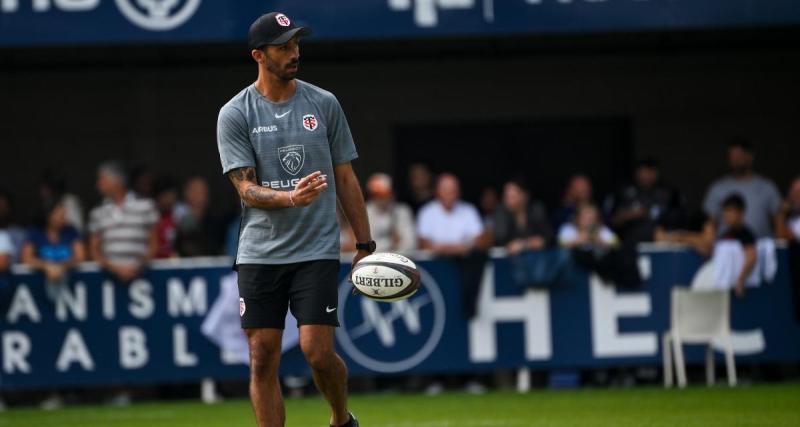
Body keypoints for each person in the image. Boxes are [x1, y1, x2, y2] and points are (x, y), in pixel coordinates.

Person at [216, 12, 372, 427]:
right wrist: (290, 198)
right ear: (258, 55)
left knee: (317, 352)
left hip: (315, 250)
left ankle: (340, 419)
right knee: (262, 355)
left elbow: (346, 178)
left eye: (297, 44)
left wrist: (365, 244)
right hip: (259, 253)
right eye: (284, 46)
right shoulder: (235, 113)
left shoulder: (324, 103)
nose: (295, 52)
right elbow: (245, 188)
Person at [418, 173, 491, 318]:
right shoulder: (427, 212)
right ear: (438, 192)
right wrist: (454, 249)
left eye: (453, 190)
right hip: (435, 271)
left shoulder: (468, 210)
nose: (450, 194)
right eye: (446, 190)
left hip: (465, 268)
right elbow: (423, 243)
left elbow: (481, 239)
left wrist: (459, 247)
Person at [88, 161, 158, 283]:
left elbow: (154, 243)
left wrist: (137, 267)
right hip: (109, 280)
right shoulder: (97, 212)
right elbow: (94, 250)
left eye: (102, 179)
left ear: (116, 181)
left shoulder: (146, 206)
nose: (98, 184)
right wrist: (115, 269)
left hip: (142, 279)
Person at [703, 140, 782, 238]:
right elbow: (709, 223)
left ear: (750, 156)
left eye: (739, 155)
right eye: (732, 156)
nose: (736, 159)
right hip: (726, 244)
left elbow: (779, 222)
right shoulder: (718, 188)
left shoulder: (767, 187)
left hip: (760, 245)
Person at [22, 198, 86, 299]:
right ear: (49, 217)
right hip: (38, 288)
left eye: (64, 215)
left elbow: (80, 257)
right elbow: (27, 258)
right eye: (60, 215)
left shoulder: (71, 231)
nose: (64, 218)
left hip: (70, 285)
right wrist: (47, 267)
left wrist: (62, 266)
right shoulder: (34, 232)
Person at [604, 159, 675, 246]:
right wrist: (629, 215)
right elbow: (610, 221)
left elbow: (675, 219)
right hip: (629, 241)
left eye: (650, 172)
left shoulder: (667, 192)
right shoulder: (623, 191)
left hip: (660, 241)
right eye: (643, 172)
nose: (646, 176)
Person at [491, 180, 552, 253]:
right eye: (506, 196)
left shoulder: (536, 209)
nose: (507, 201)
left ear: (524, 196)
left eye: (512, 197)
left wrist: (525, 244)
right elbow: (500, 239)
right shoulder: (501, 211)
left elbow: (547, 237)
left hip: (538, 256)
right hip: (509, 258)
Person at [715, 194, 757, 298]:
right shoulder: (725, 234)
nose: (726, 215)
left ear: (741, 213)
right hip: (722, 287)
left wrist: (741, 279)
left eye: (730, 211)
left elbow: (751, 256)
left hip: (737, 288)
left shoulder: (745, 234)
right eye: (725, 211)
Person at [174, 176, 226, 257]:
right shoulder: (176, 220)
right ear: (185, 193)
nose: (197, 196)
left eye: (201, 192)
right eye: (194, 191)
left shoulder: (217, 224)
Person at [365, 173, 416, 253]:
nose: (381, 198)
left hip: (400, 257)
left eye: (384, 194)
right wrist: (389, 242)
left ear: (392, 193)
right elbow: (366, 246)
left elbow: (411, 244)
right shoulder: (365, 212)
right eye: (377, 195)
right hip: (374, 259)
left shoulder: (402, 211)